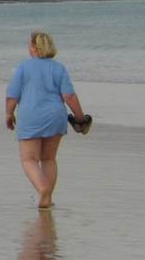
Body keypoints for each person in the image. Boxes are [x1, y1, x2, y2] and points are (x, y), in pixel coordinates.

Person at [5, 31, 89, 210]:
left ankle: (43, 189)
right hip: (55, 116)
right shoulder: (58, 68)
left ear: (34, 48)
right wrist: (80, 118)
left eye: (29, 45)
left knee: (29, 159)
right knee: (49, 159)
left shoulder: (23, 67)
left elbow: (12, 95)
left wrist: (8, 114)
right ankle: (48, 197)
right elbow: (69, 96)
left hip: (30, 116)